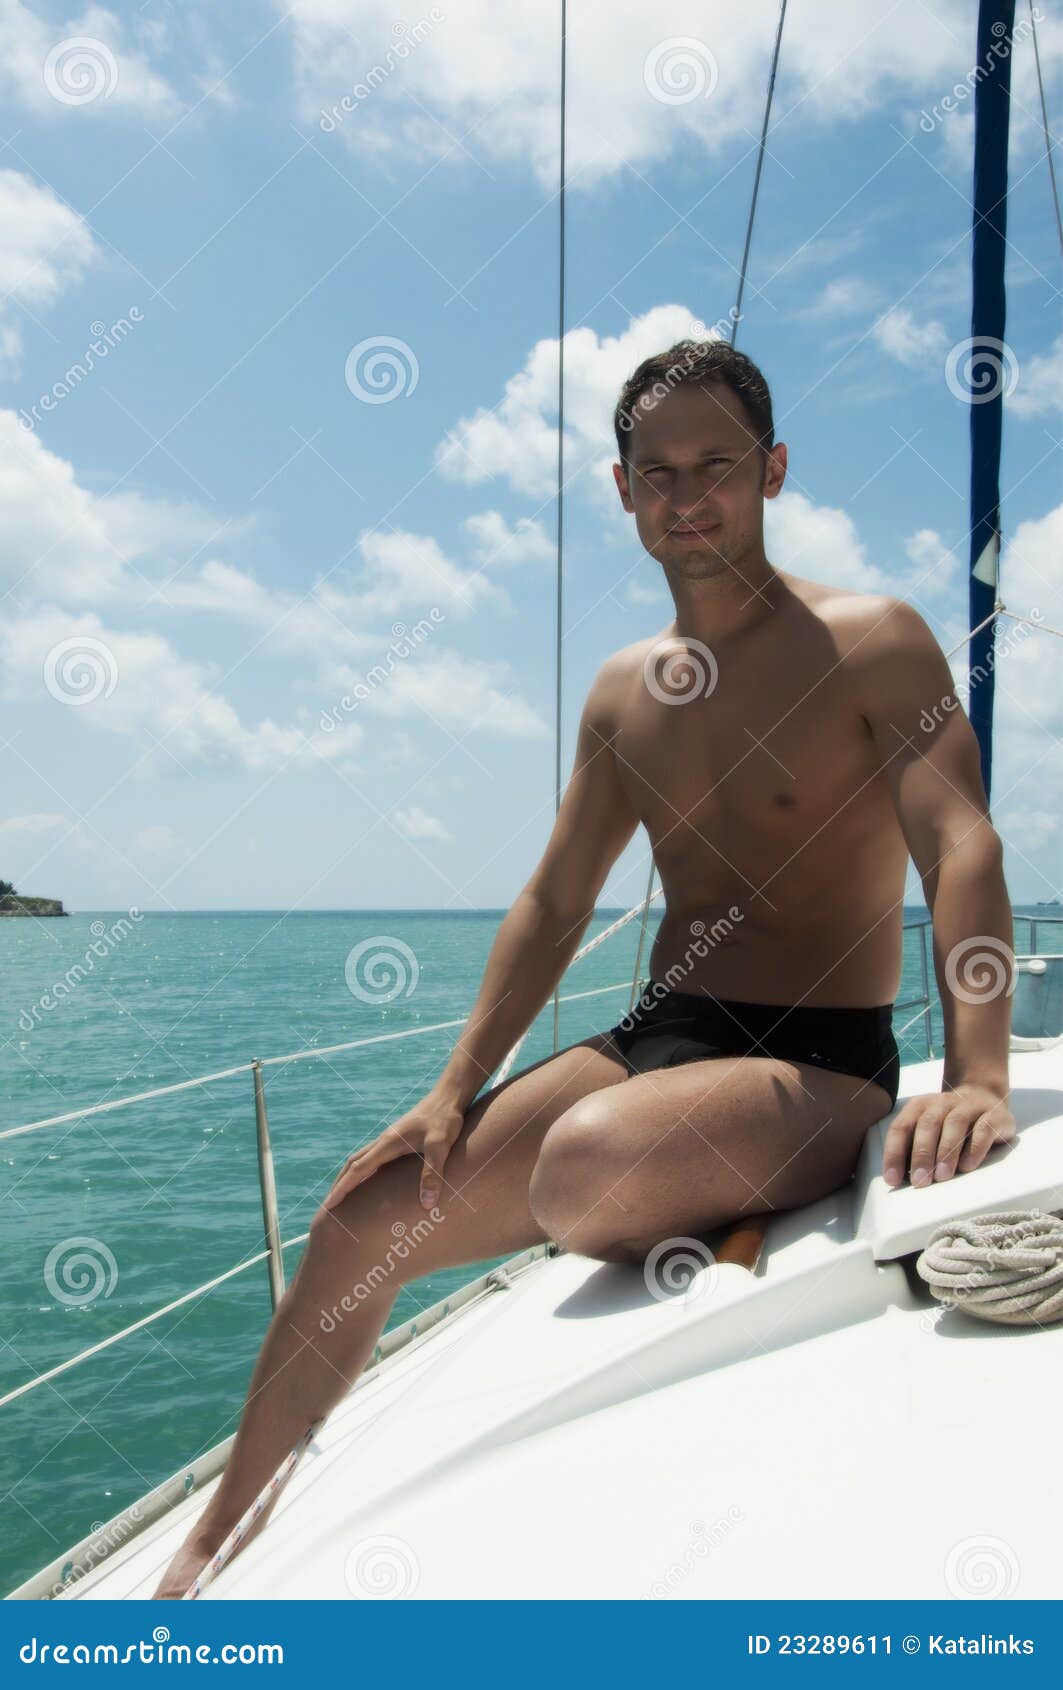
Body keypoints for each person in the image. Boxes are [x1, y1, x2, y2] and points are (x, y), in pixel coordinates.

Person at [153, 339, 1016, 1597]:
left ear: (771, 469)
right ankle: (210, 1542)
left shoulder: (871, 640)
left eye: (716, 464)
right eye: (655, 472)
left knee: (593, 1161)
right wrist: (453, 1088)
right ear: (621, 491)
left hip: (816, 1052)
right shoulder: (623, 694)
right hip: (662, 1034)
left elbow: (959, 837)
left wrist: (978, 1072)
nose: (686, 495)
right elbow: (558, 897)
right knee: (355, 1222)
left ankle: (737, 1151)